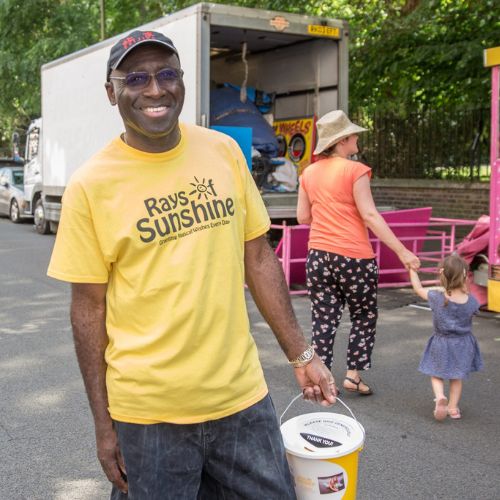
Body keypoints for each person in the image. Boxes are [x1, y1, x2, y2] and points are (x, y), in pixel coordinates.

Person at [47, 30, 337, 499]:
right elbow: (88, 310)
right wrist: (104, 424)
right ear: (110, 92)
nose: (155, 89)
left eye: (167, 74)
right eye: (136, 78)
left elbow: (258, 257)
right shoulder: (91, 186)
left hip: (241, 398)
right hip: (149, 416)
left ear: (182, 81)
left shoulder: (223, 153)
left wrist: (300, 354)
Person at [297, 110, 420, 396]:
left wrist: (328, 216)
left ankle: (323, 379)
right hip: (354, 256)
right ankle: (353, 375)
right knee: (364, 315)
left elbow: (303, 217)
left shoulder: (309, 173)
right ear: (342, 141)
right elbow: (370, 215)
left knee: (324, 317)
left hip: (318, 256)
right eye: (353, 135)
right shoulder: (356, 170)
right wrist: (403, 253)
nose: (357, 138)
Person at [409, 254, 484, 420]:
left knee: (436, 372)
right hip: (464, 343)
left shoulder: (437, 298)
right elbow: (473, 310)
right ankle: (453, 407)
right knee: (457, 377)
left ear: (442, 274)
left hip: (441, 341)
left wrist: (412, 272)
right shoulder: (471, 301)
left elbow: (419, 289)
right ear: (465, 276)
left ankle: (440, 396)